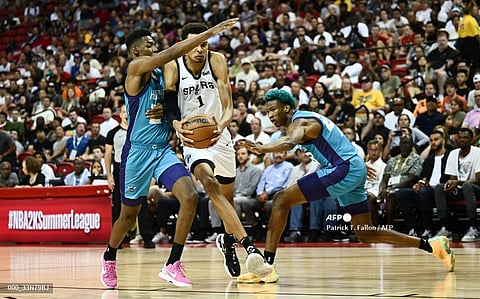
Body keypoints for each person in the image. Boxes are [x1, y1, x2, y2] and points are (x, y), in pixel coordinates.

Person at [239, 89, 454, 283]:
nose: (271, 116)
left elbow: (289, 142)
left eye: (273, 110)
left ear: (286, 107)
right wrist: (358, 166)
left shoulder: (300, 122)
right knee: (366, 233)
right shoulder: (310, 118)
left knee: (281, 199)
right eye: (267, 113)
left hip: (344, 169)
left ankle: (267, 266)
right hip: (350, 168)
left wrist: (263, 147)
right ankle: (432, 245)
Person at [100, 19, 240, 290]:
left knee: (189, 196)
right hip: (137, 153)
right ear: (136, 52)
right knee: (128, 216)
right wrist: (208, 34)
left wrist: (168, 112)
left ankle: (172, 263)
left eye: (155, 43)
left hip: (162, 149)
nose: (154, 46)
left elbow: (174, 99)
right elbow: (171, 53)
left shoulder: (164, 74)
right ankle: (110, 255)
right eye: (148, 44)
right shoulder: (135, 68)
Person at [164, 22, 270, 281]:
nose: (199, 49)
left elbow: (228, 102)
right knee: (209, 184)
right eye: (193, 45)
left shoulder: (218, 60)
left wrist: (221, 125)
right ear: (183, 46)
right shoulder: (173, 64)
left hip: (219, 135)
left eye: (203, 44)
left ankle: (227, 241)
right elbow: (168, 99)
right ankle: (249, 248)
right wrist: (176, 124)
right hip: (191, 138)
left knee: (227, 198)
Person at [395, 130, 450, 238]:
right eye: (431, 140)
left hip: (442, 190)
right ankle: (413, 228)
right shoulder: (429, 160)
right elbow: (424, 177)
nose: (433, 143)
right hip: (427, 189)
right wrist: (419, 183)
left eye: (436, 140)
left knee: (424, 192)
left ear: (443, 140)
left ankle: (428, 228)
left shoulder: (450, 156)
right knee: (401, 193)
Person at [434, 128, 480, 242]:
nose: (462, 140)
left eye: (465, 138)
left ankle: (474, 228)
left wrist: (458, 183)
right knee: (440, 187)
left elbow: (478, 179)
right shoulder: (453, 154)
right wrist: (451, 184)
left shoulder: (477, 152)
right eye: (460, 138)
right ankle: (446, 228)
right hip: (460, 188)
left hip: (476, 189)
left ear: (471, 139)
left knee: (467, 186)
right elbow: (452, 178)